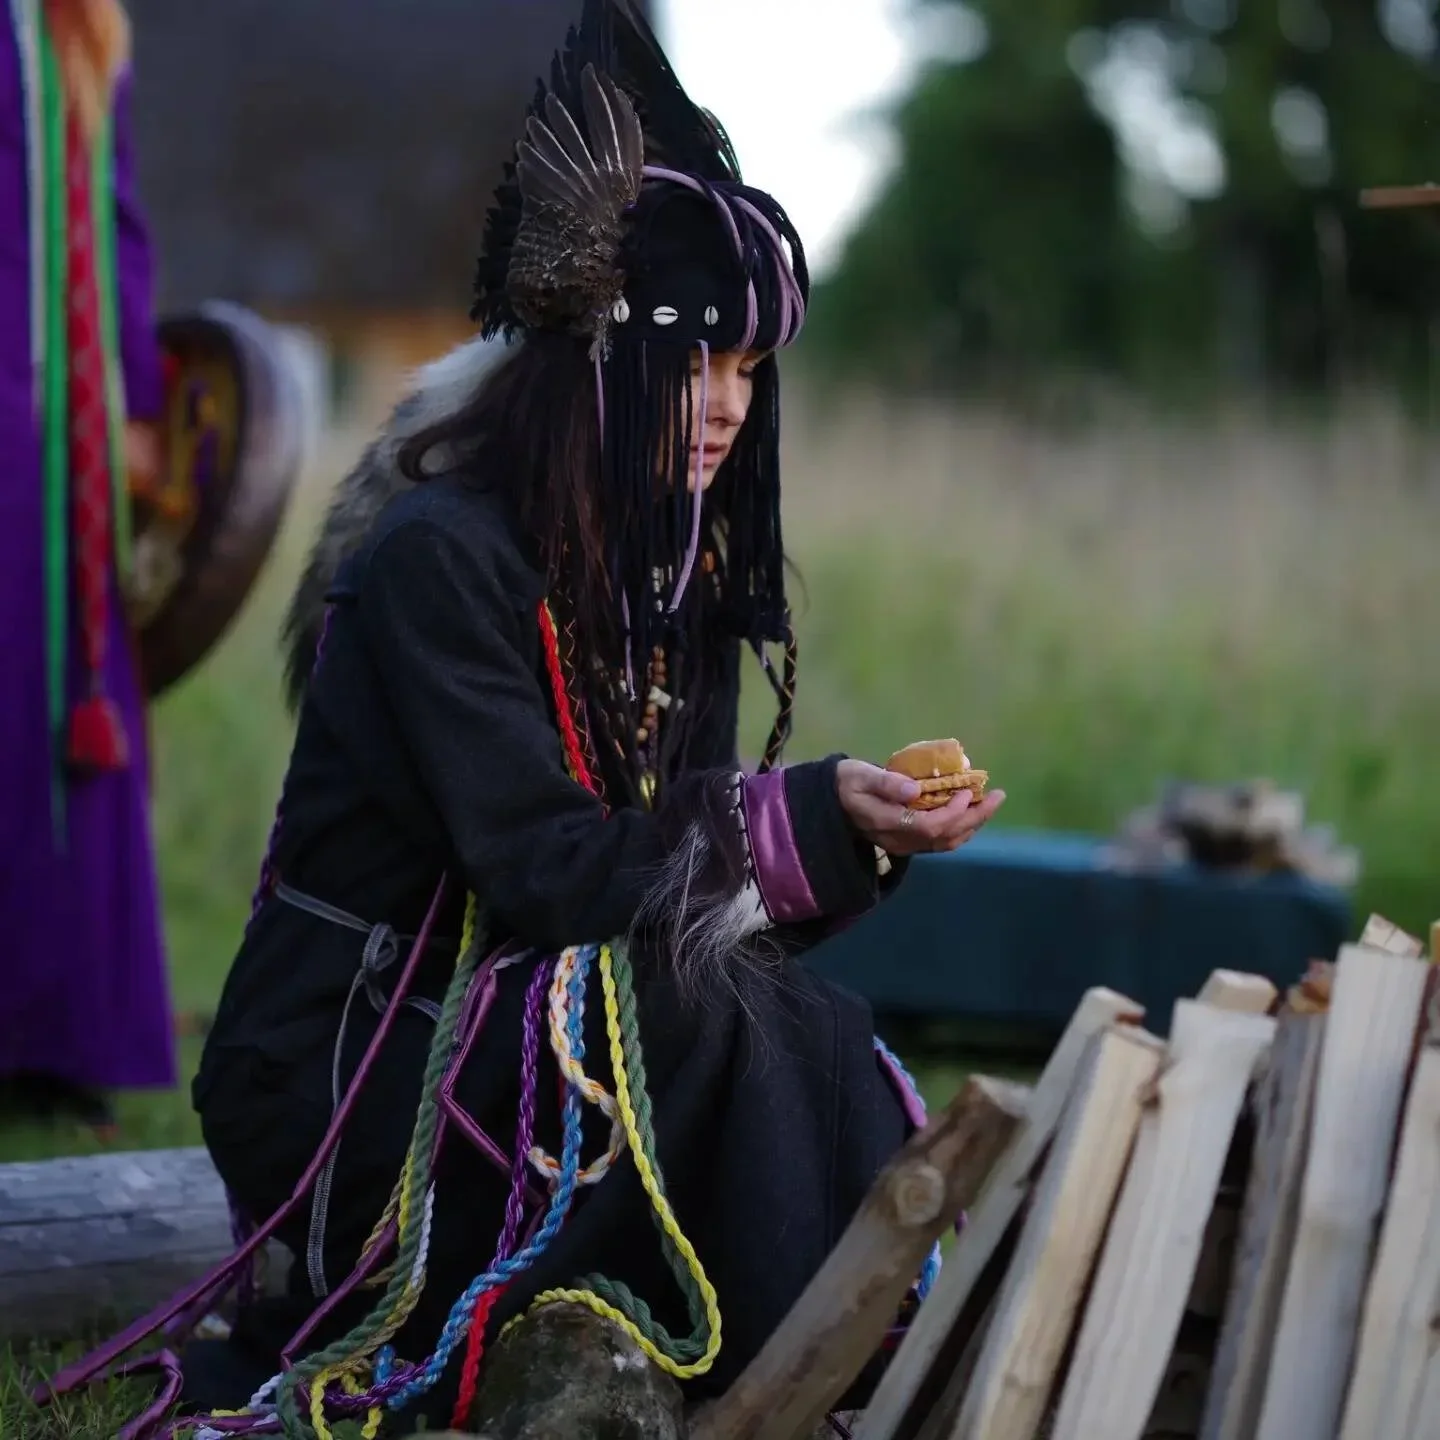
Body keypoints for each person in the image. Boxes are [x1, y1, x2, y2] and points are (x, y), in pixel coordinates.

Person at [184, 0, 1006, 1430]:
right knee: (701, 1011)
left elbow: (670, 890)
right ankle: (778, 1364)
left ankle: (839, 1358)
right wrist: (802, 812)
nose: (728, 406)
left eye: (750, 368)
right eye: (697, 358)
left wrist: (845, 829)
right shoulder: (441, 559)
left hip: (522, 1034)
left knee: (787, 1013)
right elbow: (555, 875)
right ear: (596, 359)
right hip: (356, 1069)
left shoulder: (656, 580)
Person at [0, 0, 174, 1134]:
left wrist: (141, 410)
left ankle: (57, 1037)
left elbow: (115, 235)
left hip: (55, 438)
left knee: (58, 710)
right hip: (33, 423)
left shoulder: (75, 31)